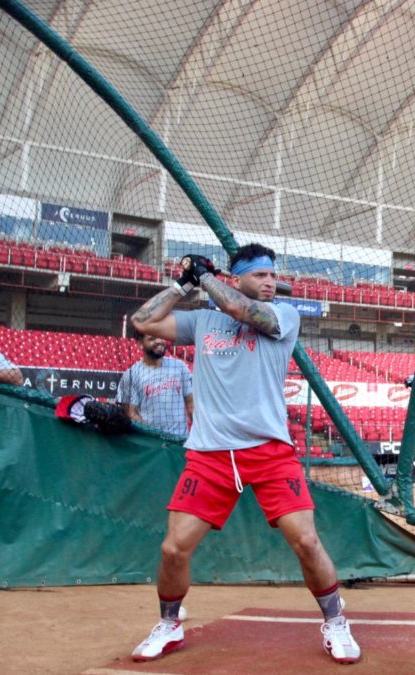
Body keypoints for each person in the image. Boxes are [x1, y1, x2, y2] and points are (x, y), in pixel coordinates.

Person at [127, 244, 360, 664]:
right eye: (259, 275)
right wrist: (182, 284)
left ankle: (335, 620)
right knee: (173, 549)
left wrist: (206, 279)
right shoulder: (202, 322)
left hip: (270, 451)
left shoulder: (283, 315)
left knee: (306, 541)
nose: (270, 282)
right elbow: (142, 321)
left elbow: (243, 312)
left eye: (272, 275)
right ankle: (168, 624)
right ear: (239, 279)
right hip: (211, 453)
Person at [117, 331, 194, 437]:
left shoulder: (179, 367)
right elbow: (131, 414)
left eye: (161, 337)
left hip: (180, 441)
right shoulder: (130, 375)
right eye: (152, 339)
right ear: (140, 344)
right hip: (152, 445)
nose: (159, 341)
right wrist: (154, 435)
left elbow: (190, 403)